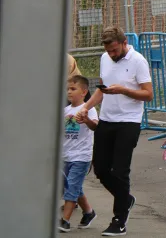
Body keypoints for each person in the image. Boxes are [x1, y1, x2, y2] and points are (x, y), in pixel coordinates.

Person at [75, 27, 153, 237]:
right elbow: (102, 89)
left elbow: (148, 94)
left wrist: (124, 90)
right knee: (100, 169)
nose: (112, 54)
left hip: (128, 122)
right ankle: (125, 198)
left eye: (115, 50)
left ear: (124, 42)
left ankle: (119, 220)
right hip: (107, 120)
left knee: (120, 171)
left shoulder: (138, 61)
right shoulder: (104, 58)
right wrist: (85, 107)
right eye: (109, 51)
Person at [59, 75, 98, 233]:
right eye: (68, 88)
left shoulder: (89, 109)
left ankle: (65, 221)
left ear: (84, 92)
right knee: (71, 186)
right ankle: (89, 213)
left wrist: (87, 119)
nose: (69, 92)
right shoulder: (65, 111)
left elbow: (95, 126)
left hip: (81, 157)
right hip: (65, 156)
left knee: (72, 188)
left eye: (73, 89)